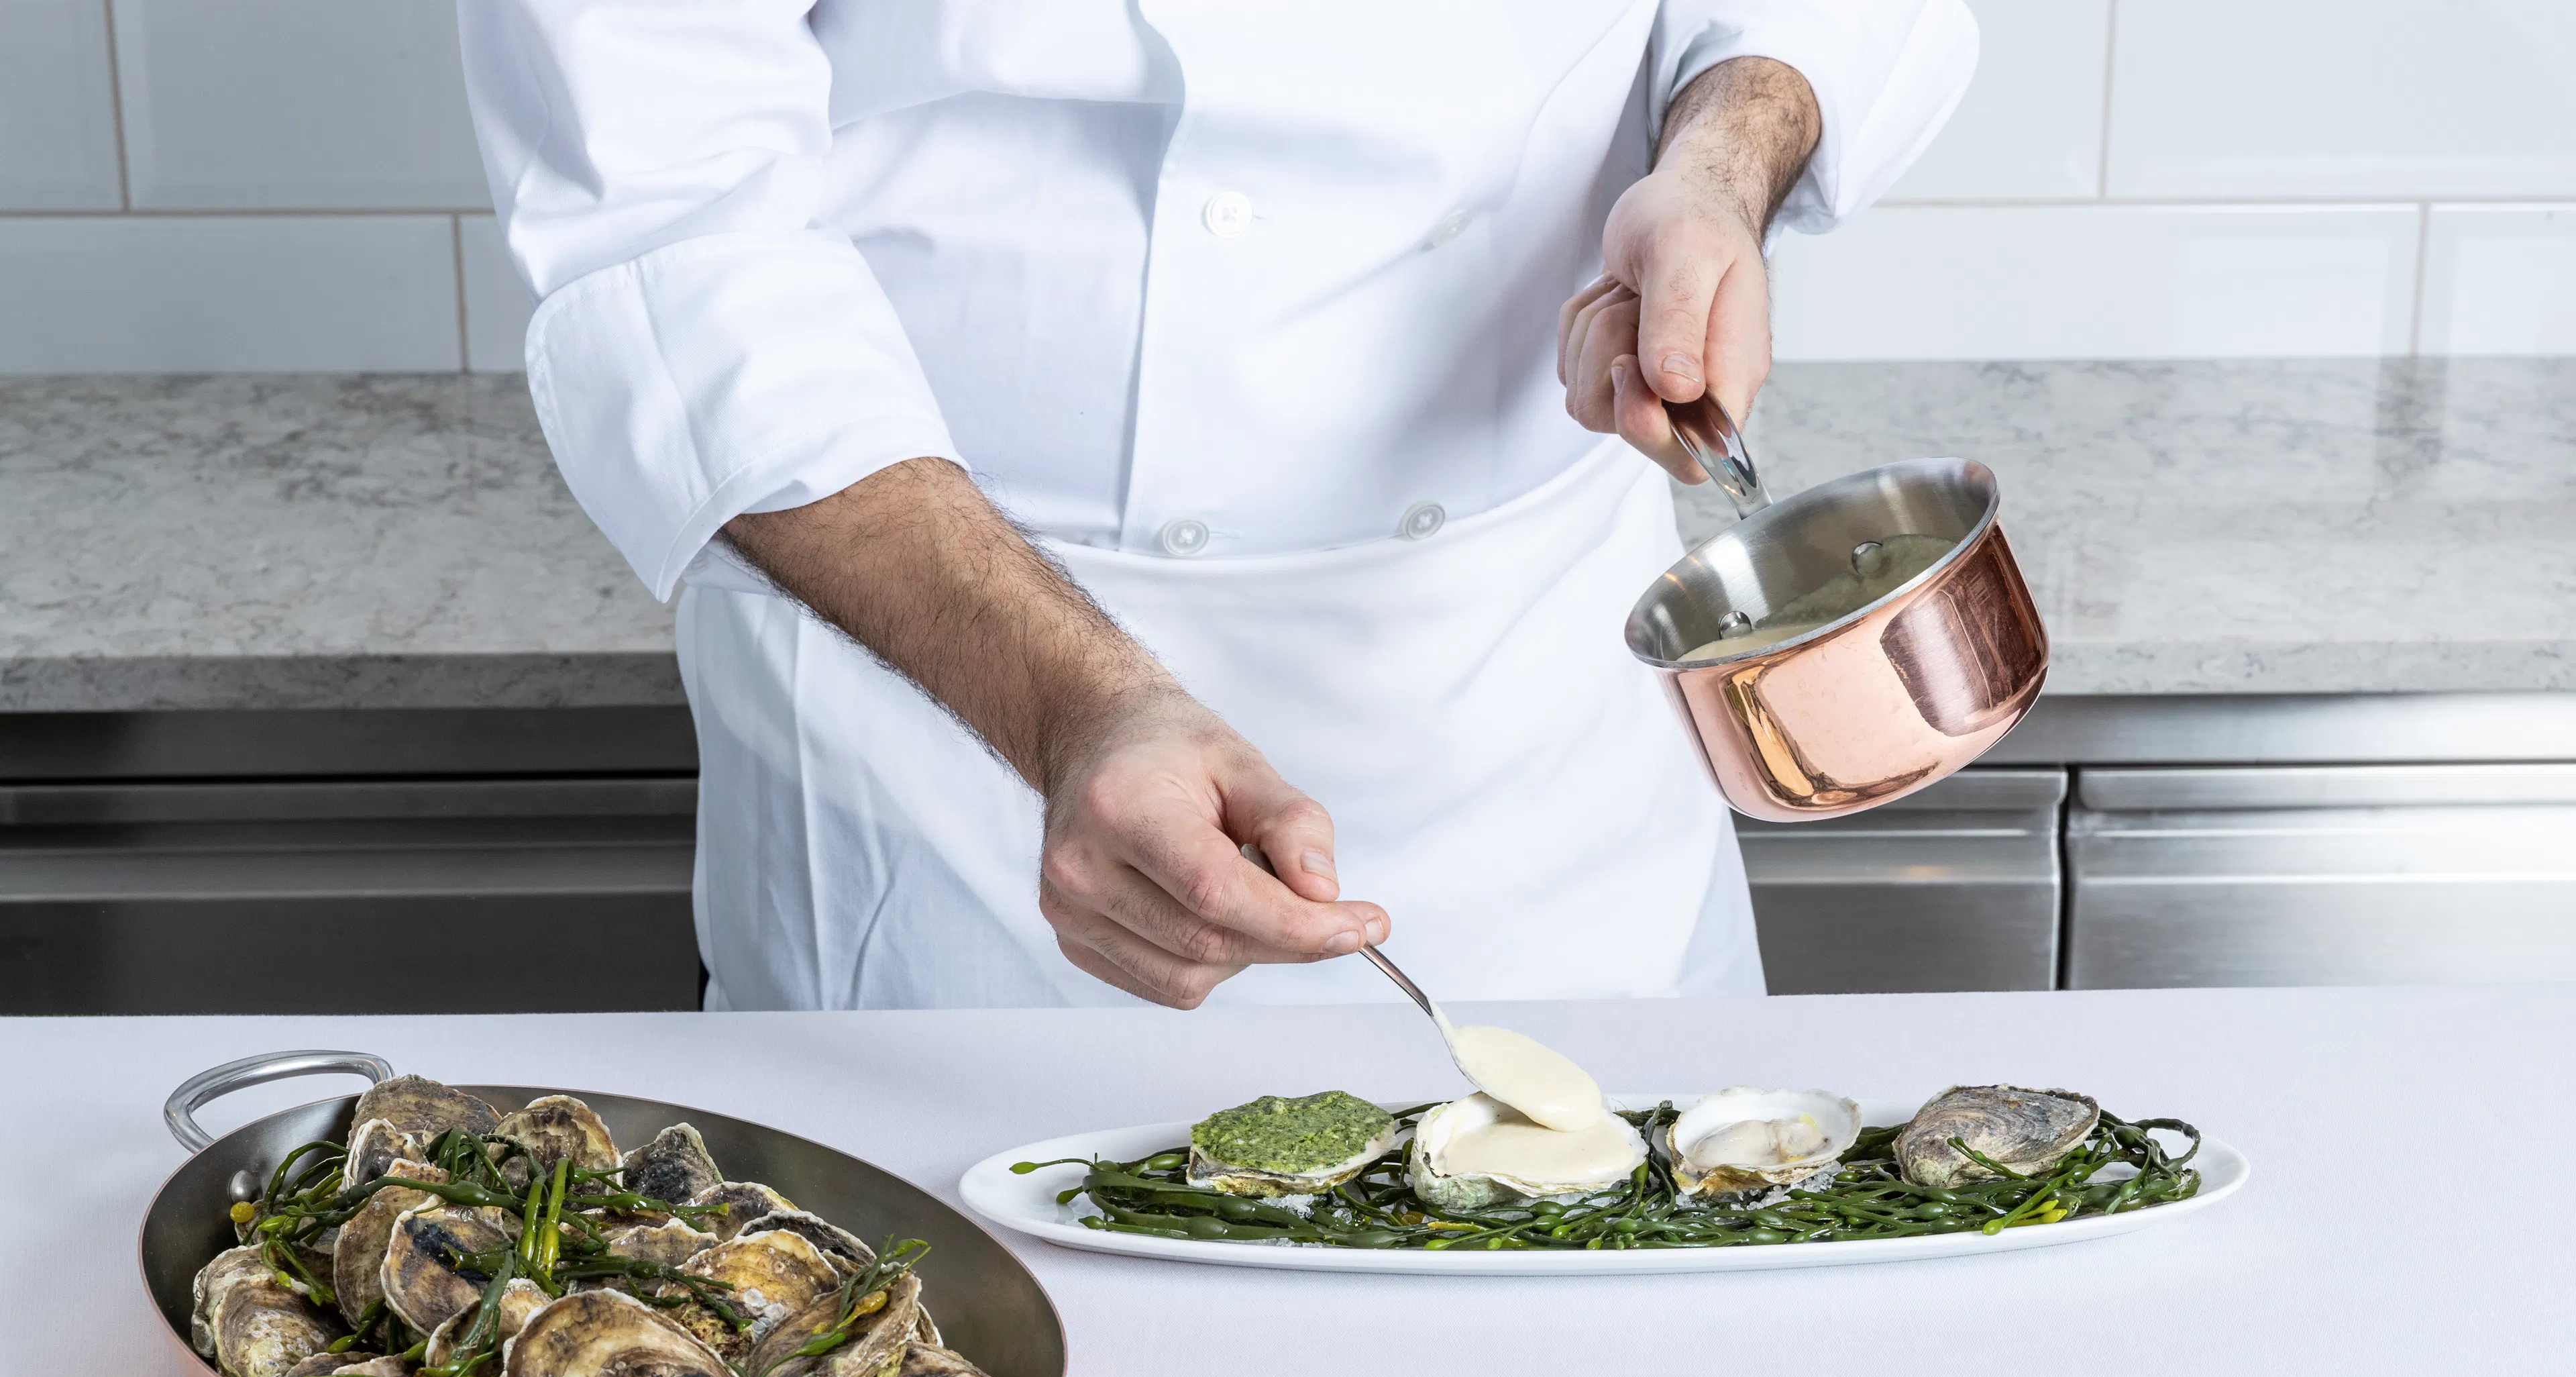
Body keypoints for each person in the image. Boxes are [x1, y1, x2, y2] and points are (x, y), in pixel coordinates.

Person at [458, 1, 1978, 1011]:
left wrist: (1717, 165)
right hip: (949, 744)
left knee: (1609, 1360)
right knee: (948, 1375)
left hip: (1536, 723)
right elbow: (670, 229)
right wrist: (1070, 708)